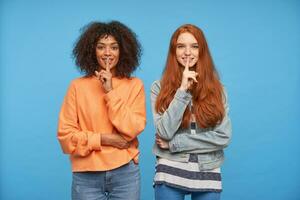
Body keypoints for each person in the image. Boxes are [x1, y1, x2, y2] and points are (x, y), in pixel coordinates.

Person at [57, 21, 146, 200]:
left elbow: (133, 128)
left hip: (125, 173)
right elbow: (66, 138)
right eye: (101, 47)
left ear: (123, 51)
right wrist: (105, 139)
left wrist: (110, 92)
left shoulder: (134, 85)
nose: (107, 53)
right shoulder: (77, 87)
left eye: (114, 47)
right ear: (92, 51)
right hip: (86, 175)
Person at [151, 24, 232, 200]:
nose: (188, 52)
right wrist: (182, 91)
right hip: (170, 169)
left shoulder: (218, 90)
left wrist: (175, 144)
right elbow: (164, 132)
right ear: (174, 51)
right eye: (181, 46)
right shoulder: (159, 87)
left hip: (208, 170)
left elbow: (223, 137)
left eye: (194, 46)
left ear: (202, 50)